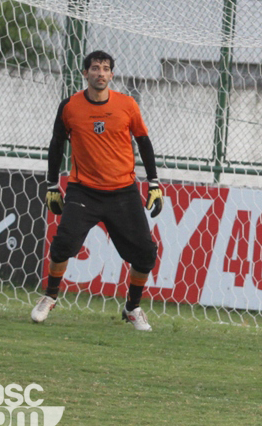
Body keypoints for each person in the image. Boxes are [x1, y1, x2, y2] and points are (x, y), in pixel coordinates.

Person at [30, 50, 164, 331]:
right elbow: (56, 144)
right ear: (85, 73)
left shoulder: (127, 105)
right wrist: (52, 184)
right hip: (83, 191)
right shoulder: (70, 106)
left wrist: (154, 183)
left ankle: (132, 307)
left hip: (123, 192)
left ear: (112, 75)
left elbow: (144, 142)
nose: (100, 73)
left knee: (146, 254)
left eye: (105, 68)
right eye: (94, 68)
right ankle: (50, 297)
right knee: (63, 245)